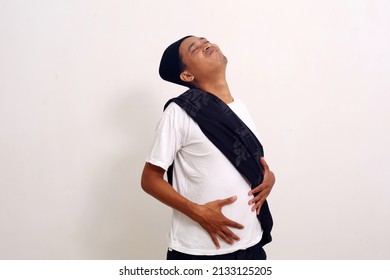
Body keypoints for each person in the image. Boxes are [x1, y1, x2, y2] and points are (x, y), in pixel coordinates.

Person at [141, 35, 275, 260]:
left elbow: (246, 160)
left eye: (206, 41)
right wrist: (198, 212)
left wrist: (269, 177)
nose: (207, 45)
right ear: (187, 75)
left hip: (250, 247)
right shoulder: (179, 112)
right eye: (196, 49)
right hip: (199, 252)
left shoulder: (240, 107)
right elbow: (149, 180)